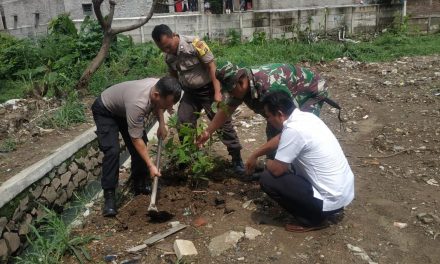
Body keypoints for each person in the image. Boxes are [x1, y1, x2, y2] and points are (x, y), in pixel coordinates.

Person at [196, 61, 341, 165]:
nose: (231, 95)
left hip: (310, 91)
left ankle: (295, 168)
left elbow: (291, 123)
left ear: (241, 82)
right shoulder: (240, 87)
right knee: (273, 127)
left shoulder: (269, 86)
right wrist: (208, 132)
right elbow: (226, 111)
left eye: (231, 91)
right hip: (292, 90)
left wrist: (256, 154)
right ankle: (273, 165)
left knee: (297, 130)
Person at [152, 24, 245, 173]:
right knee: (183, 121)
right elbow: (173, 78)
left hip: (208, 90)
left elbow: (212, 67)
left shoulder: (195, 44)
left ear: (173, 35)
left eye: (168, 46)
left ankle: (236, 158)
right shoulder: (168, 56)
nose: (167, 51)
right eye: (162, 49)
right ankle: (188, 157)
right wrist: (172, 101)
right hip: (189, 93)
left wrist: (217, 92)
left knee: (222, 123)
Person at [257, 91, 354, 231]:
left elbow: (277, 170)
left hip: (330, 201)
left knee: (268, 178)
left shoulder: (293, 130)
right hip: (342, 194)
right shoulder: (307, 117)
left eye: (269, 116)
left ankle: (312, 219)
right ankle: (317, 208)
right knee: (289, 167)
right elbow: (280, 138)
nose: (268, 120)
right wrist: (255, 154)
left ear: (279, 114)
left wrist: (263, 163)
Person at [91, 77, 182, 217]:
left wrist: (162, 124)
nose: (170, 108)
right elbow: (135, 139)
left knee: (141, 145)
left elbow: (158, 105)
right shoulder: (138, 104)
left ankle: (139, 183)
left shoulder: (161, 86)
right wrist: (151, 165)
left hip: (123, 107)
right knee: (112, 151)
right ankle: (109, 197)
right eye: (168, 105)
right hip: (106, 110)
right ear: (156, 95)